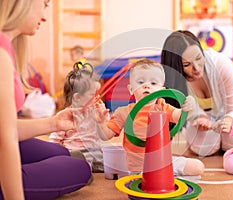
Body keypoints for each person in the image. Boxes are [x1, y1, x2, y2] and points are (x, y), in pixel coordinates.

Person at [0, 1, 91, 199]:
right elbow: (5, 141)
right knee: (78, 168)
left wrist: (53, 123)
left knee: (63, 153)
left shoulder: (6, 47)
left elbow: (4, 127)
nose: (44, 16)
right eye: (44, 4)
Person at [97, 58, 205, 176]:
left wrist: (189, 106)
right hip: (139, 169)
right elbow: (105, 136)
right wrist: (101, 123)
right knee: (147, 179)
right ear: (131, 89)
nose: (146, 86)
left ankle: (167, 176)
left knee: (197, 167)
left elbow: (180, 115)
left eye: (153, 83)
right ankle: (164, 177)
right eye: (140, 82)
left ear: (162, 90)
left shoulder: (163, 107)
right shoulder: (123, 112)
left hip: (163, 162)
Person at [161, 30, 233, 157]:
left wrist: (229, 120)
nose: (196, 68)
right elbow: (186, 111)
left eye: (199, 58)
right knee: (202, 148)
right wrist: (199, 117)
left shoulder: (221, 64)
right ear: (177, 67)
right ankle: (217, 139)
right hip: (204, 122)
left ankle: (224, 139)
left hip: (232, 115)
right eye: (187, 65)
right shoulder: (176, 81)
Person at [49, 61, 105, 172]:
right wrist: (56, 156)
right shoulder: (67, 115)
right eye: (93, 94)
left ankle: (87, 167)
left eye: (98, 93)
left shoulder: (95, 111)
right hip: (75, 152)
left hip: (95, 151)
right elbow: (54, 140)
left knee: (112, 162)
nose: (98, 97)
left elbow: (105, 135)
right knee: (79, 163)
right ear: (78, 97)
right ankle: (79, 170)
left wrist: (102, 120)